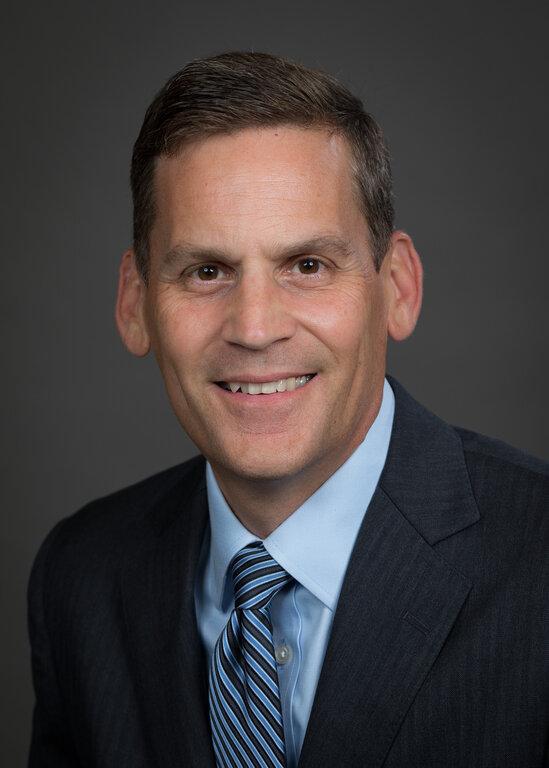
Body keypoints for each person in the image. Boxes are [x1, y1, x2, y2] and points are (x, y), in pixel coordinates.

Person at [27, 51, 548, 768]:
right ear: (134, 303)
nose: (254, 327)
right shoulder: (82, 577)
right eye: (206, 271)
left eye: (307, 266)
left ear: (396, 288)